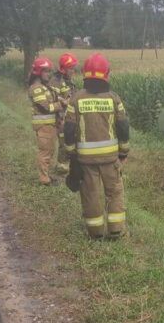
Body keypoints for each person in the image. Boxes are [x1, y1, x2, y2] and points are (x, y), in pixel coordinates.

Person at [63, 53, 130, 239]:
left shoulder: (76, 99)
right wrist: (124, 152)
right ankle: (116, 230)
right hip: (111, 158)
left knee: (91, 194)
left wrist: (71, 153)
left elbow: (68, 129)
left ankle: (95, 232)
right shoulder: (114, 99)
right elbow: (123, 127)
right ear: (106, 74)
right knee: (115, 192)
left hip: (85, 159)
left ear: (85, 74)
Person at [28, 56, 60, 185]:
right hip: (43, 125)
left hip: (49, 125)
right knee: (45, 152)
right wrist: (60, 105)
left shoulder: (44, 87)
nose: (49, 74)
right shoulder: (37, 88)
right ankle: (44, 179)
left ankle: (46, 175)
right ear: (38, 73)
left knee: (50, 151)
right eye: (46, 71)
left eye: (49, 71)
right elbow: (45, 107)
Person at [54, 53, 78, 176]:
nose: (73, 71)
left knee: (70, 140)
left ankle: (67, 166)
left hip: (70, 116)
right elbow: (52, 97)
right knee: (64, 143)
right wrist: (64, 101)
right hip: (61, 117)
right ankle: (61, 169)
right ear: (64, 68)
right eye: (71, 68)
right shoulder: (57, 81)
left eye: (74, 68)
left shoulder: (69, 81)